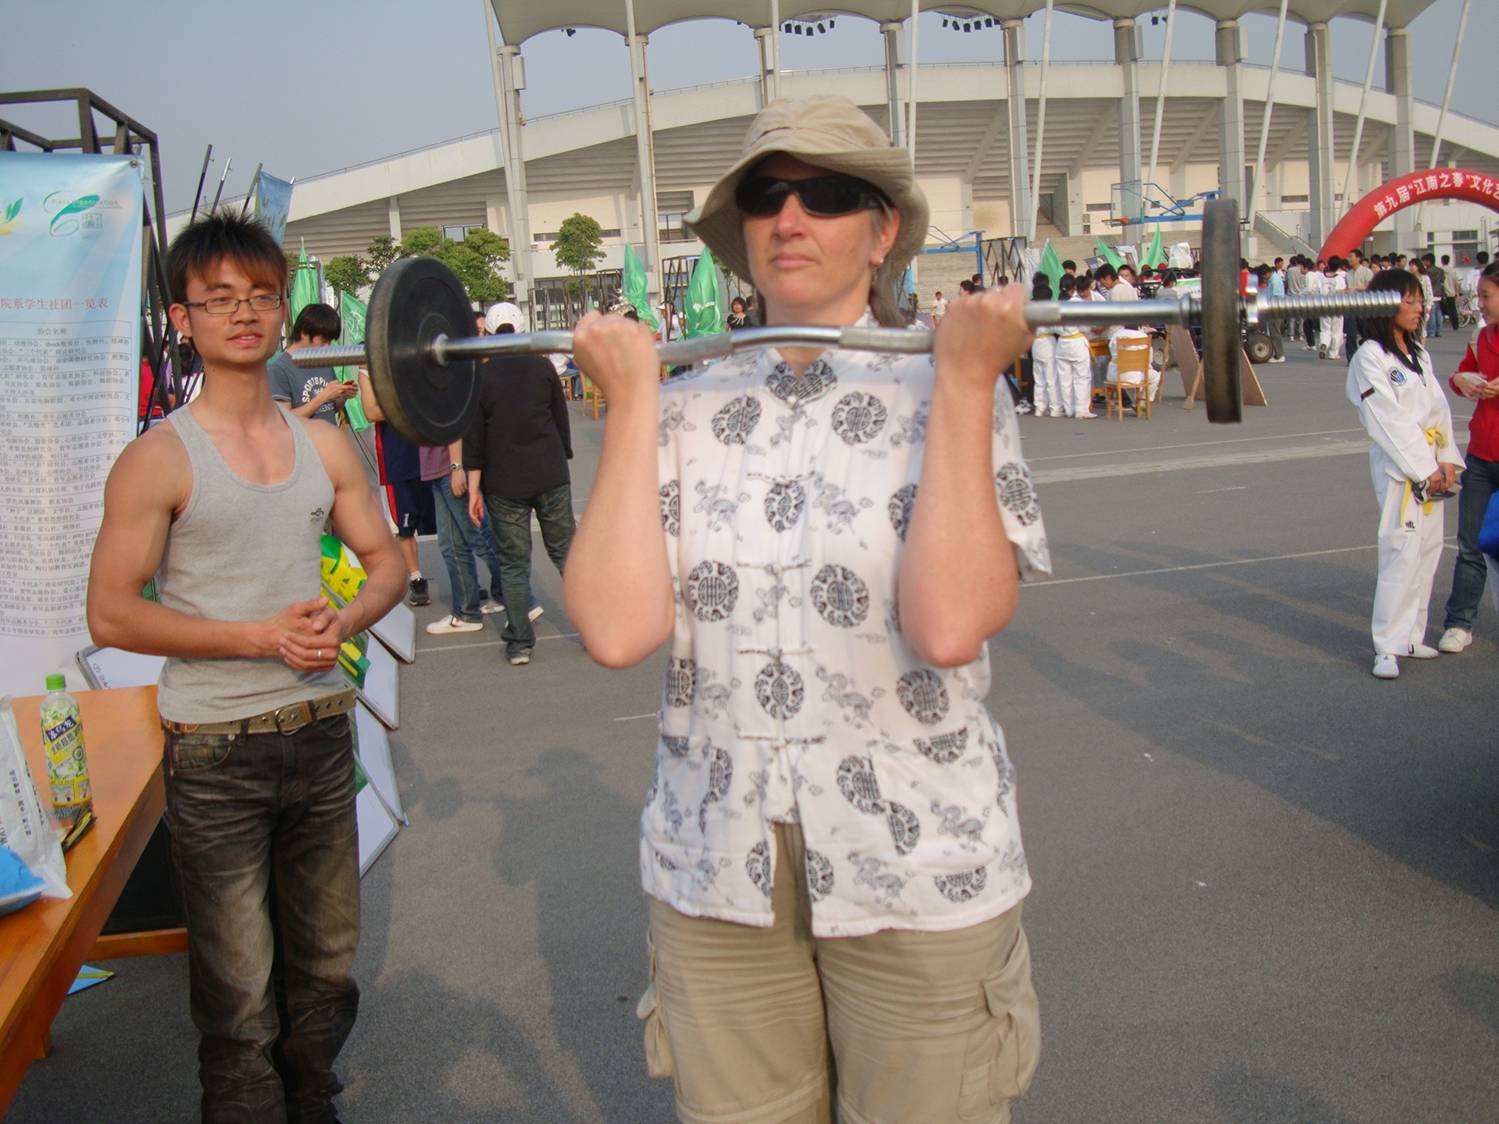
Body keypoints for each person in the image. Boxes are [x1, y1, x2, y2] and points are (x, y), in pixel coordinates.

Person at [565, 95, 1046, 1124]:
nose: (789, 218)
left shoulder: (948, 384)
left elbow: (950, 623)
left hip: (914, 857)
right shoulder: (681, 401)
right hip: (717, 857)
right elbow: (613, 629)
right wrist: (631, 403)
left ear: (879, 233)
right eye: (765, 196)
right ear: (739, 232)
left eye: (825, 196)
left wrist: (963, 382)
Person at [86, 212, 405, 1120]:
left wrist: (339, 620)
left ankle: (315, 1103)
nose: (245, 313)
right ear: (182, 319)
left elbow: (387, 564)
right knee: (235, 997)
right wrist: (257, 637)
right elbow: (110, 610)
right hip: (214, 750)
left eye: (262, 296)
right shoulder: (157, 458)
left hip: (317, 735)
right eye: (219, 298)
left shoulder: (325, 445)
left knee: (326, 972)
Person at [1346, 269, 1464, 679]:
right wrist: (1425, 468)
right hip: (1401, 469)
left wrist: (1447, 458)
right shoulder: (1369, 358)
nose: (1419, 308)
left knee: (1428, 552)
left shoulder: (1420, 354)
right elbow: (1386, 420)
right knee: (1400, 552)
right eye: (1410, 301)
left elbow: (1439, 410)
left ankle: (1412, 634)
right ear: (1384, 306)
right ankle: (1387, 646)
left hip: (1432, 464)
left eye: (1420, 301)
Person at [464, 304, 575, 666]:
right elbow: (560, 418)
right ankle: (595, 626)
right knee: (567, 554)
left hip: (504, 481)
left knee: (513, 564)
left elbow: (475, 438)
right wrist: (563, 454)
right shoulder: (543, 367)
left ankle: (520, 644)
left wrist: (474, 488)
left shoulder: (483, 377)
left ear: (491, 334)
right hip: (549, 472)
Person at [1438, 261, 1499, 653]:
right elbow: (1461, 376)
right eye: (1479, 296)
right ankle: (1460, 622)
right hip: (1481, 457)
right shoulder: (1480, 337)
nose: (1480, 303)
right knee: (1472, 543)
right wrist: (1463, 381)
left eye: (1486, 296)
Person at [267, 303, 360, 424]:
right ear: (304, 333)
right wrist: (323, 396)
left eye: (330, 341)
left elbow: (332, 409)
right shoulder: (279, 369)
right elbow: (284, 421)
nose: (327, 346)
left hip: (330, 439)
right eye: (324, 341)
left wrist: (344, 396)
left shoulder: (323, 362)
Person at [1055, 274, 1097, 419]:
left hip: (1061, 344)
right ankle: (1081, 410)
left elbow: (1054, 327)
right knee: (1082, 377)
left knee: (1065, 379)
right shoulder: (1079, 304)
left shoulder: (1058, 304)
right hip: (1077, 343)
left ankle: (1069, 409)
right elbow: (1085, 327)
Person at [1029, 274, 1063, 416]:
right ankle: (1055, 407)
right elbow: (1057, 329)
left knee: (1039, 378)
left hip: (1035, 343)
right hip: (1048, 343)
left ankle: (1040, 406)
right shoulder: (1049, 309)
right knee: (1051, 377)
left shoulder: (1029, 309)